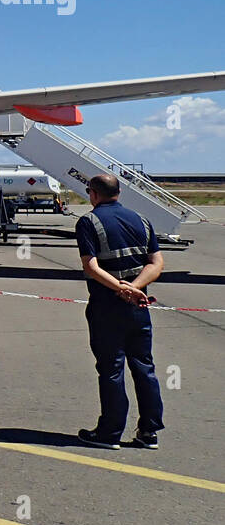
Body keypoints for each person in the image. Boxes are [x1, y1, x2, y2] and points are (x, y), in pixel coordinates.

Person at [74, 172, 165, 449]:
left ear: (93, 193)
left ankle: (110, 433)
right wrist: (135, 288)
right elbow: (157, 263)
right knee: (144, 366)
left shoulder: (88, 222)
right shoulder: (142, 220)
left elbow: (91, 266)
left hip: (106, 306)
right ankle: (149, 432)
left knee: (112, 369)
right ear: (119, 193)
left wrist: (120, 289)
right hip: (138, 306)